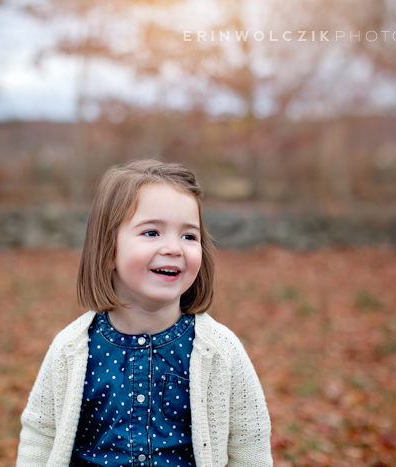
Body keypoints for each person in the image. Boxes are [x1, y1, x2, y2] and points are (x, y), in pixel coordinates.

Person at [16, 160, 272, 467]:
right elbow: (40, 434)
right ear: (109, 250)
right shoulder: (71, 349)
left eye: (189, 236)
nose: (174, 248)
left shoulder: (220, 351)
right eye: (152, 232)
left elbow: (249, 442)